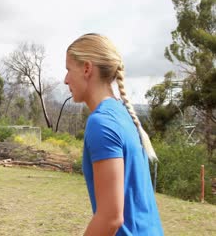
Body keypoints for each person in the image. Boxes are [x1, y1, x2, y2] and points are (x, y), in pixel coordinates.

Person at [64, 33, 163, 235]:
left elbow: (110, 218)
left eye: (68, 70)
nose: (66, 80)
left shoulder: (101, 123)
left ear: (86, 68)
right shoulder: (121, 114)